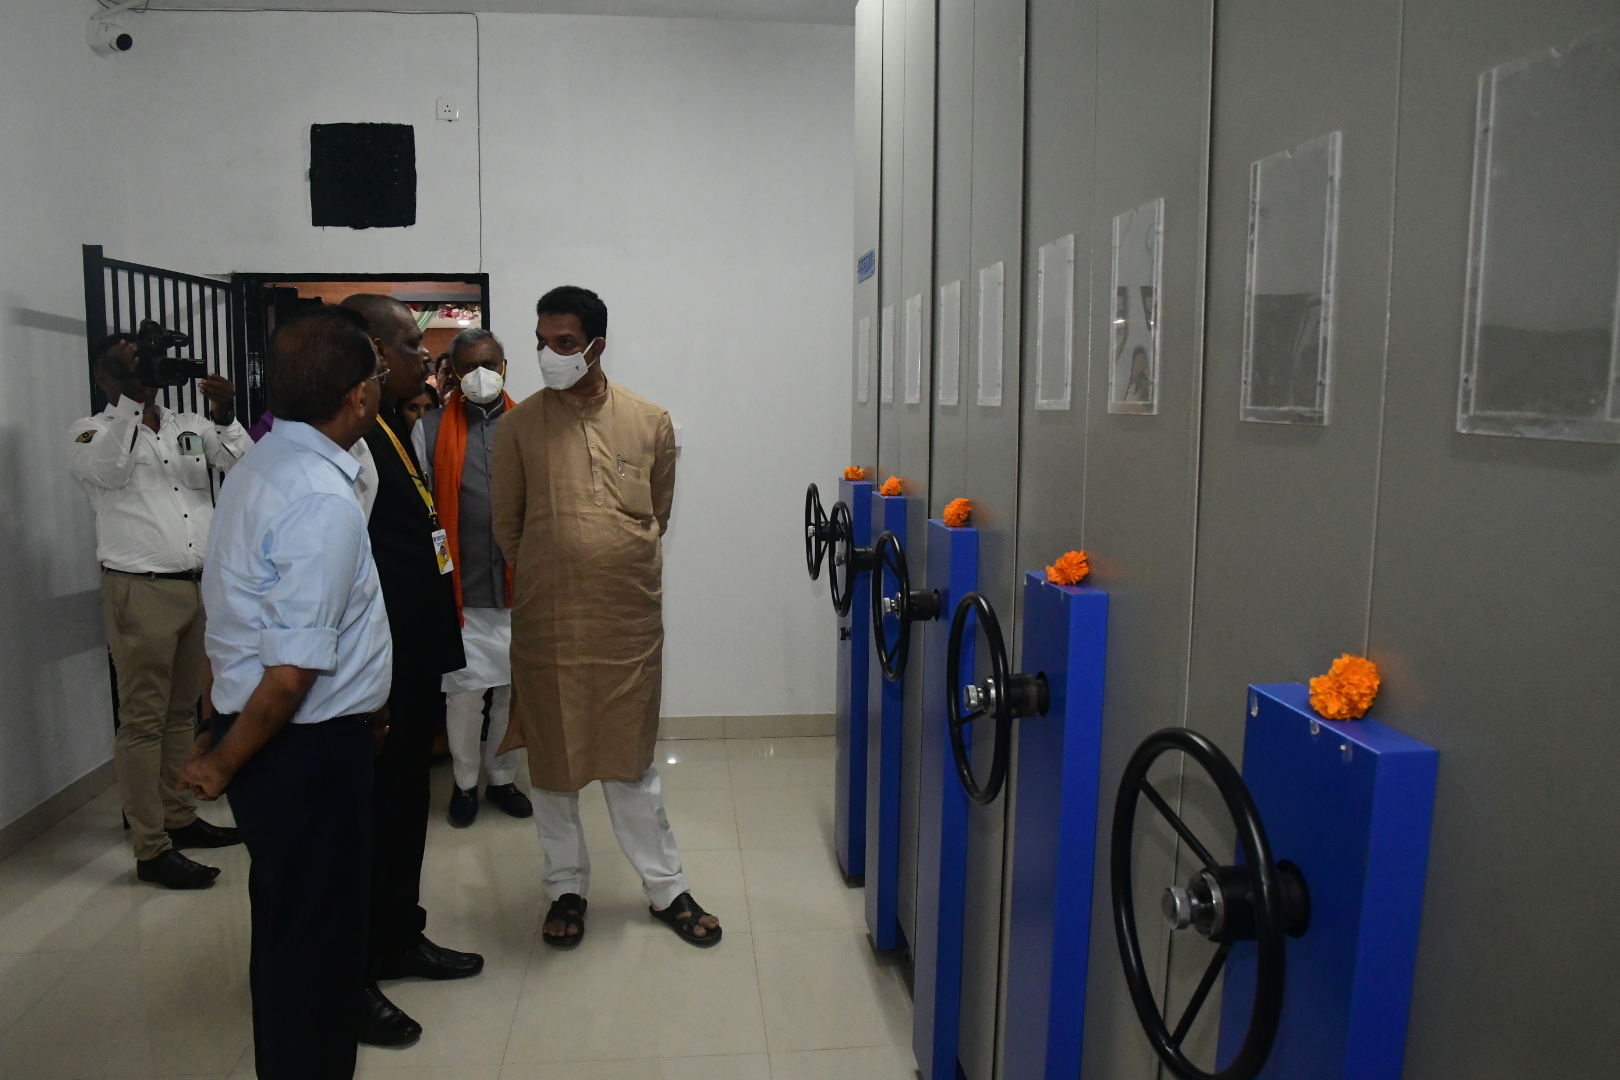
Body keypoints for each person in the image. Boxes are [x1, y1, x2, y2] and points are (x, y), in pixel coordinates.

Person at [178, 307, 391, 1080]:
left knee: (289, 931)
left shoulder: (262, 465)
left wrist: (217, 724)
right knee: (318, 954)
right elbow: (293, 672)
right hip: (303, 751)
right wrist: (223, 759)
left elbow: (228, 614)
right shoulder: (319, 499)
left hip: (282, 740)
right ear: (359, 397)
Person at [492, 285, 721, 947]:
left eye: (563, 343)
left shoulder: (649, 421)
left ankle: (666, 887)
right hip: (548, 625)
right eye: (541, 342)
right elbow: (508, 527)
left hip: (627, 627)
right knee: (553, 767)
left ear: (595, 345)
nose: (548, 354)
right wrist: (557, 567)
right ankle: (565, 886)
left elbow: (657, 515)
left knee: (630, 763)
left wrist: (607, 560)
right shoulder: (518, 428)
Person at [340, 293, 483, 1046]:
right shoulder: (346, 439)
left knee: (404, 813)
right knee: (369, 824)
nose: (423, 362)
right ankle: (354, 970)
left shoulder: (391, 426)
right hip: (379, 672)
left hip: (414, 658)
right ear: (370, 350)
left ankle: (399, 934)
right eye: (409, 348)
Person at [67, 334, 251, 890]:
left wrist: (225, 415)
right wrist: (130, 401)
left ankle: (180, 817)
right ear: (103, 379)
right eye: (125, 371)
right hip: (139, 589)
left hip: (196, 587)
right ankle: (150, 846)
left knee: (180, 714)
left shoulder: (186, 426)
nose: (143, 380)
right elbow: (110, 471)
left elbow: (243, 466)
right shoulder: (89, 431)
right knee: (143, 719)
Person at [412, 329, 532, 826]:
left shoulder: (531, 425)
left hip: (521, 589)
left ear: (504, 366)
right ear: (452, 373)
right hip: (462, 592)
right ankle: (464, 784)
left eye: (489, 364)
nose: (480, 375)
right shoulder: (429, 430)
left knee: (511, 693)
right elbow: (424, 513)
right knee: (463, 696)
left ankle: (501, 778)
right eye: (467, 367)